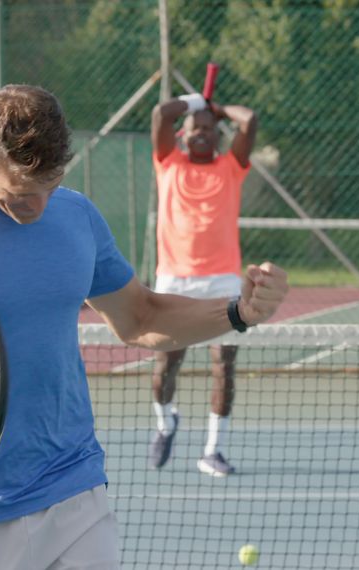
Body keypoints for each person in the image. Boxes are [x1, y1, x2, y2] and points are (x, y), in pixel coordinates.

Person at [0, 84, 287, 569]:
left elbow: (141, 317)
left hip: (75, 494)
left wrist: (238, 312)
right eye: (21, 192)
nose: (38, 206)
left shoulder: (77, 216)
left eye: (51, 184)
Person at [146, 91, 258, 477]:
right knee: (166, 365)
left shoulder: (231, 166)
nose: (202, 135)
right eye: (196, 128)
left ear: (217, 135)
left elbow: (250, 120)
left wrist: (218, 109)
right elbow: (162, 113)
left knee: (223, 365)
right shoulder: (167, 162)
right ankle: (166, 422)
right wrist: (194, 102)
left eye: (210, 130)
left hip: (224, 280)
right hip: (174, 279)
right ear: (183, 134)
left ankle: (213, 450)